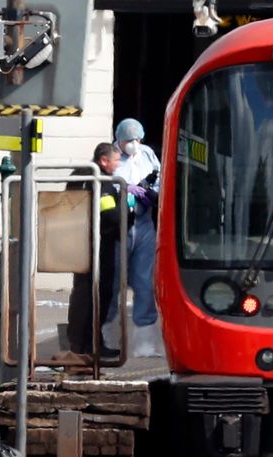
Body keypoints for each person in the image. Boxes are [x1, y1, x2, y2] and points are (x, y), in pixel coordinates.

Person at [102, 118, 161, 358]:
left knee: (145, 282)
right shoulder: (113, 155)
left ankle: (145, 342)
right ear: (119, 139)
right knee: (114, 281)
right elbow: (108, 184)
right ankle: (108, 336)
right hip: (120, 225)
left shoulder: (147, 155)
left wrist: (150, 192)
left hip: (144, 223)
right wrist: (127, 190)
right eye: (129, 140)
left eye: (137, 140)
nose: (133, 145)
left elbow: (158, 180)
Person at [66, 143, 127, 358]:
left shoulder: (81, 175)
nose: (118, 165)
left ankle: (83, 343)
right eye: (116, 161)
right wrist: (128, 206)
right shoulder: (101, 181)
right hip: (100, 248)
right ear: (103, 160)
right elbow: (112, 215)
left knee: (83, 293)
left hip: (81, 244)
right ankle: (90, 345)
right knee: (99, 295)